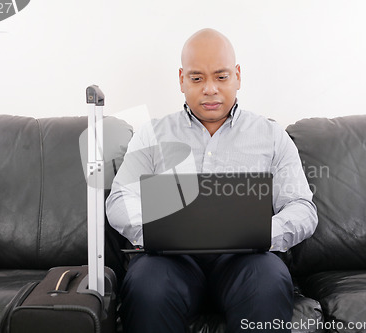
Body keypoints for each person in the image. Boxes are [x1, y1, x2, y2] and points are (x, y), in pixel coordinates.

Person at [106, 28, 318, 333]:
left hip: (245, 259)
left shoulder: (272, 137)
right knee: (147, 285)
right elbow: (120, 199)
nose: (209, 89)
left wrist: (260, 232)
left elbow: (302, 208)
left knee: (267, 280)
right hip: (169, 260)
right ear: (181, 79)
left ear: (238, 76)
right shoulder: (151, 135)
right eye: (196, 78)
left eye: (221, 77)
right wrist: (154, 230)